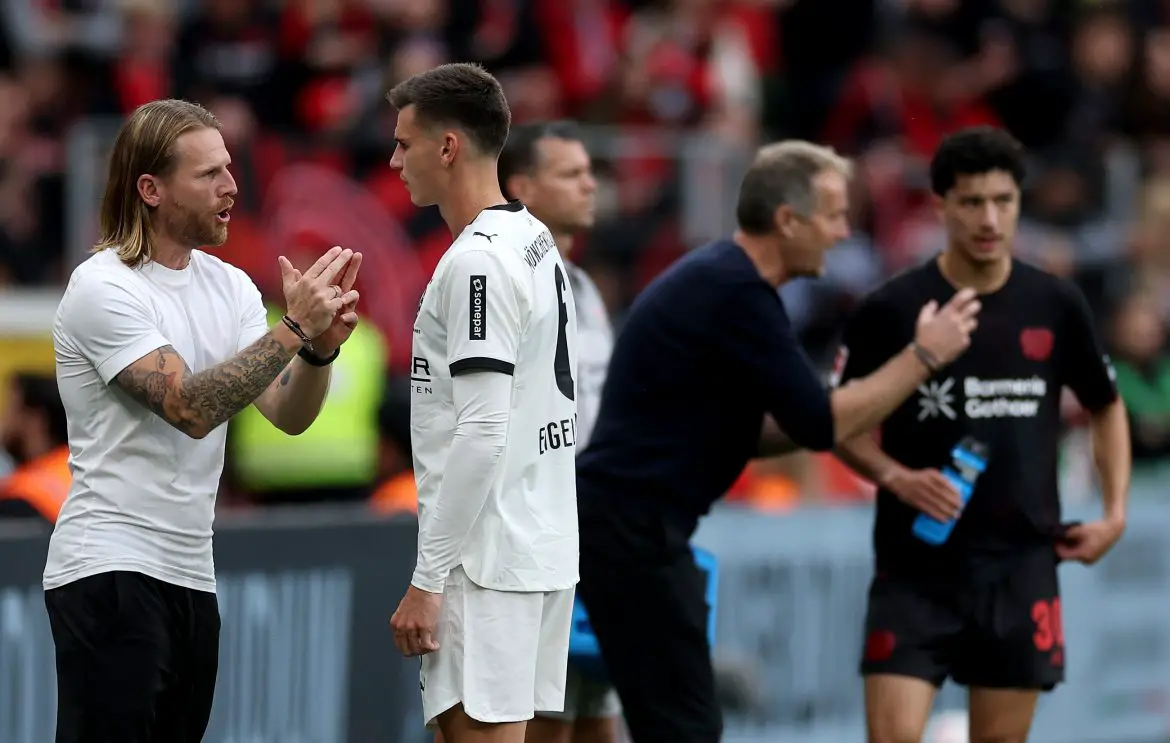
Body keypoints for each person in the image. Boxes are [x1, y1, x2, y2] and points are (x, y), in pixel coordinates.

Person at [573, 139, 981, 743]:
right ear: (787, 220)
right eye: (835, 215)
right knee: (680, 727)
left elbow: (767, 426)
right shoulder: (737, 292)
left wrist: (889, 471)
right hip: (630, 536)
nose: (845, 233)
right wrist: (923, 357)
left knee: (618, 722)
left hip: (621, 529)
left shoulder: (725, 284)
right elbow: (817, 420)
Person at [45, 98, 363, 743]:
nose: (232, 186)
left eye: (229, 168)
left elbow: (287, 413)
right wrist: (294, 328)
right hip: (110, 566)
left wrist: (319, 349)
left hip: (191, 572)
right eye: (209, 174)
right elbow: (190, 407)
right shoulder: (103, 287)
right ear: (151, 189)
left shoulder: (233, 287)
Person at [831, 126, 1130, 743]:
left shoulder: (1055, 303)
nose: (989, 218)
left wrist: (1116, 512)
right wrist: (893, 476)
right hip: (916, 570)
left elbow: (1106, 405)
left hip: (1020, 567)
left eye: (1003, 201)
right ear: (939, 206)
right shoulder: (893, 308)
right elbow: (836, 421)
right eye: (971, 202)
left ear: (1021, 203)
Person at [385, 64, 580, 743]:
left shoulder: (477, 263)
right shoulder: (533, 237)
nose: (394, 159)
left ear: (448, 148)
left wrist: (428, 578)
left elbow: (483, 429)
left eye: (405, 143)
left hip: (487, 560)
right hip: (537, 540)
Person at [498, 121, 619, 743]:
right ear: (523, 187)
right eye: (571, 173)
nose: (590, 184)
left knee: (595, 704)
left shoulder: (587, 287)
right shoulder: (507, 278)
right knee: (544, 712)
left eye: (589, 171)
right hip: (536, 526)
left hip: (590, 523)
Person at [0, 373, 69, 522]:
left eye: (10, 410)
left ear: (35, 419)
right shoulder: (86, 470)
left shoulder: (23, 496)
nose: (3, 423)